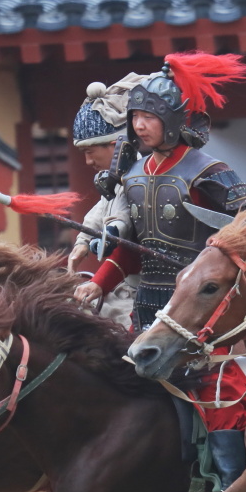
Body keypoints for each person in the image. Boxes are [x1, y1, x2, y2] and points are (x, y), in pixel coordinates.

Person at [73, 52, 246, 478]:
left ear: (173, 120)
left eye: (149, 117)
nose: (139, 125)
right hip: (148, 306)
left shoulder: (207, 170)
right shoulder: (133, 175)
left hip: (200, 310)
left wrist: (221, 248)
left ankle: (233, 483)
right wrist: (99, 283)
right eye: (135, 117)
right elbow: (132, 250)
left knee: (218, 391)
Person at [66, 73, 147, 329]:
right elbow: (100, 210)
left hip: (151, 288)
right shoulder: (114, 181)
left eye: (90, 152)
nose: (88, 161)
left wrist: (111, 234)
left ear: (116, 145)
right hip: (122, 283)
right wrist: (84, 240)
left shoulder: (142, 178)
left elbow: (120, 219)